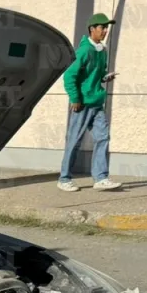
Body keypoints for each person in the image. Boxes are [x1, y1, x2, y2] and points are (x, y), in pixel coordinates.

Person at [58, 13, 121, 191]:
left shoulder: (102, 50)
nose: (105, 31)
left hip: (96, 102)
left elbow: (94, 75)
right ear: (92, 29)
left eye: (107, 27)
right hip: (83, 103)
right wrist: (75, 98)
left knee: (102, 138)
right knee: (74, 141)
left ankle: (100, 178)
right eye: (102, 27)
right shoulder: (84, 50)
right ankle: (64, 179)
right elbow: (69, 76)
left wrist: (104, 77)